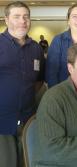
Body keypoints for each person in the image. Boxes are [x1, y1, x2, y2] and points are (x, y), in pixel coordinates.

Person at [0, 1, 45, 167]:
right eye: (17, 16)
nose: (22, 21)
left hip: (28, 119)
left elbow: (39, 81)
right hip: (2, 122)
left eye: (26, 17)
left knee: (27, 162)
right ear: (6, 20)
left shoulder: (36, 49)